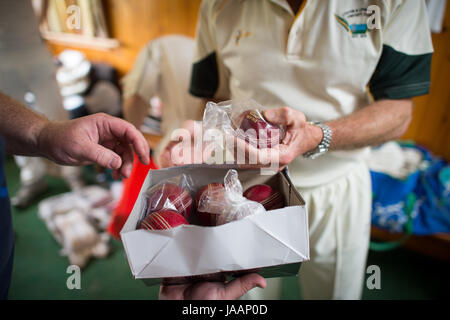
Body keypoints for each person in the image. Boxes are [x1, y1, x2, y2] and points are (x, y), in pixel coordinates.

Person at [161, 0, 433, 299]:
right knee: (244, 300)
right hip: (243, 188)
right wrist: (202, 136)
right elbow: (214, 99)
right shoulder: (216, 5)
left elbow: (398, 111)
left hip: (334, 186)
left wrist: (316, 136)